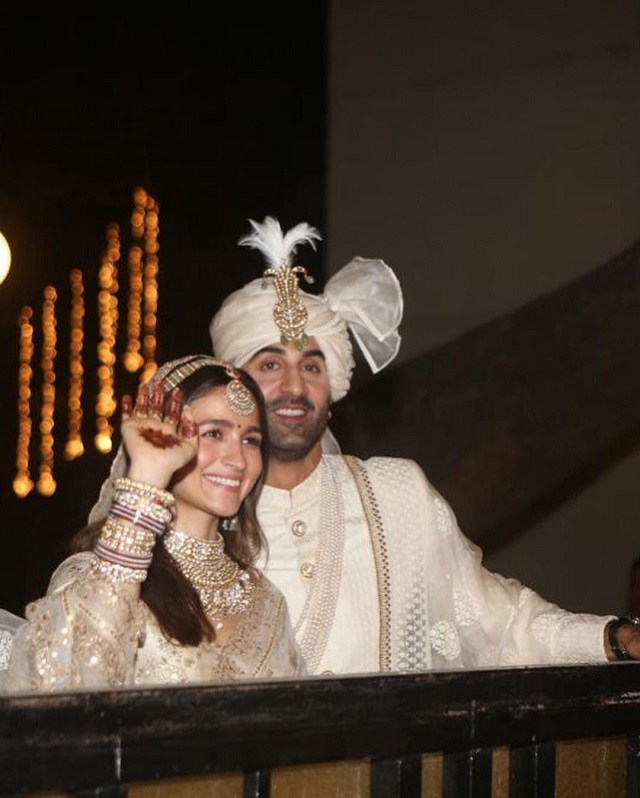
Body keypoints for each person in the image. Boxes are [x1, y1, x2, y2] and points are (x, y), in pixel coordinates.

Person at [209, 216, 640, 675]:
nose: (295, 387)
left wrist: (613, 637)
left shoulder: (395, 493)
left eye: (312, 367)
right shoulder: (201, 506)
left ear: (333, 383)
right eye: (271, 365)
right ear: (233, 384)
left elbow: (502, 624)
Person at [3, 355, 305, 692]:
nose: (238, 460)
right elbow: (79, 689)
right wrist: (147, 474)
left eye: (251, 440)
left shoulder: (266, 601)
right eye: (213, 433)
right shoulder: (94, 577)